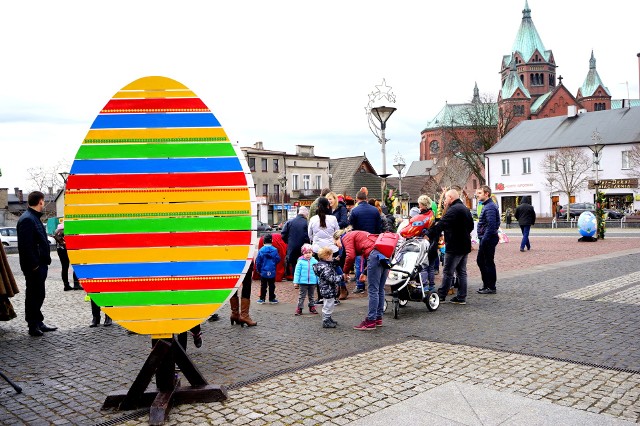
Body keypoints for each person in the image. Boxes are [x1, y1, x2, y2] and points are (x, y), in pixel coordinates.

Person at [16, 191, 56, 337]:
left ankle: (38, 321)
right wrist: (35, 266)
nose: (43, 203)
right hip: (34, 267)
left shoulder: (34, 217)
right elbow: (25, 246)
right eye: (43, 201)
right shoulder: (27, 219)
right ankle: (32, 325)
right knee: (33, 295)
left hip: (40, 264)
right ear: (40, 201)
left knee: (39, 294)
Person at [426, 189, 474, 305]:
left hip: (455, 245)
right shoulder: (465, 209)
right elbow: (471, 226)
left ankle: (442, 295)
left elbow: (442, 223)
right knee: (461, 272)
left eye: (446, 198)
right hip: (464, 244)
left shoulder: (453, 210)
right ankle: (461, 296)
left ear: (451, 198)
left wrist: (428, 234)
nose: (445, 201)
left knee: (448, 271)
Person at [334, 228, 388, 330]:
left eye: (336, 244)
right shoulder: (359, 234)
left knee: (373, 290)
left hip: (374, 257)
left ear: (338, 238)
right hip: (384, 255)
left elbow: (350, 256)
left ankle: (370, 321)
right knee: (380, 289)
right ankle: (378, 318)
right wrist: (364, 272)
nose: (338, 247)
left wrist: (345, 272)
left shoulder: (346, 237)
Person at [348, 190, 383, 293]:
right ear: (366, 199)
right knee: (373, 262)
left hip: (359, 241)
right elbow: (378, 227)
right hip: (372, 239)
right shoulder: (375, 210)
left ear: (357, 199)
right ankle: (374, 283)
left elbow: (351, 227)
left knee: (360, 263)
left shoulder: (354, 211)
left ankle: (360, 285)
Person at [400, 195, 437, 291]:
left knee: (423, 266)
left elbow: (409, 231)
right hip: (432, 243)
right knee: (431, 266)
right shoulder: (432, 215)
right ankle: (431, 285)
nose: (418, 205)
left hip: (423, 244)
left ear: (423, 205)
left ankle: (424, 286)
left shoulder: (421, 217)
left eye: (420, 204)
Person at [308, 197, 340, 304]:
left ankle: (321, 296)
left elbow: (310, 235)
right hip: (331, 249)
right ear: (328, 206)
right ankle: (334, 297)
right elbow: (337, 234)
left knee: (320, 274)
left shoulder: (313, 219)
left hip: (318, 249)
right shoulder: (333, 219)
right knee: (332, 272)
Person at [476, 186, 500, 295]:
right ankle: (487, 285)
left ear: (486, 194)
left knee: (487, 262)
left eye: (480, 193)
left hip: (488, 239)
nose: (477, 194)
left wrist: (485, 238)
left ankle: (490, 286)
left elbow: (492, 225)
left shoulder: (490, 206)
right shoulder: (487, 205)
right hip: (486, 238)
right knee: (482, 261)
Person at [313, 247, 342, 328]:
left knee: (330, 304)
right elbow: (331, 278)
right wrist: (341, 277)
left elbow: (331, 265)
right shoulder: (325, 267)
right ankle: (326, 320)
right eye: (331, 256)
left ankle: (328, 318)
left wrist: (335, 261)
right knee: (328, 305)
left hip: (326, 288)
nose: (332, 257)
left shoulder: (323, 265)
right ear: (326, 256)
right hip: (328, 289)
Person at [281, 206, 310, 280]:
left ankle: (296, 279)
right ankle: (303, 279)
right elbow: (310, 235)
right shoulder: (307, 223)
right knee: (304, 263)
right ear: (306, 214)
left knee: (294, 264)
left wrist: (288, 242)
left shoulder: (290, 222)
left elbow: (283, 234)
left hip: (292, 247)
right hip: (304, 247)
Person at [53, 223, 82, 291]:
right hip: (71, 250)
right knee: (76, 266)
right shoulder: (70, 229)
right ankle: (76, 284)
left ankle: (66, 285)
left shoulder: (58, 229)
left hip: (60, 250)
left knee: (64, 267)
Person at [229, 261, 257, 326]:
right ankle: (244, 315)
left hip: (233, 261)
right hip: (245, 261)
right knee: (246, 286)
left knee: (234, 285)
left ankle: (235, 314)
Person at [293, 244, 318, 315]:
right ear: (303, 253)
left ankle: (312, 307)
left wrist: (318, 281)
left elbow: (317, 272)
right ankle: (299, 308)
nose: (308, 254)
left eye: (309, 253)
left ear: (312, 253)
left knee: (312, 296)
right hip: (303, 282)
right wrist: (296, 282)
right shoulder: (300, 262)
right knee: (302, 296)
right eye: (306, 253)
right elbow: (297, 273)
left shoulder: (315, 261)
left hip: (312, 282)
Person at [255, 234, 280, 304]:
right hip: (272, 270)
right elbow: (278, 259)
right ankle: (272, 298)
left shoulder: (261, 250)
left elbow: (258, 261)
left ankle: (262, 298)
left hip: (263, 270)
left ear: (263, 242)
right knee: (272, 285)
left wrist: (258, 269)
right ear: (272, 241)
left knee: (263, 285)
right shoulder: (275, 250)